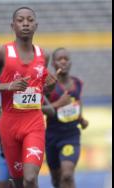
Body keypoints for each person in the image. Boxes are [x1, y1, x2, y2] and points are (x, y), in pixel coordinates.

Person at [0, 7, 59, 188]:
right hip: (9, 124)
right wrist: (8, 86)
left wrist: (49, 88)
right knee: (18, 182)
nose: (25, 23)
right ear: (12, 25)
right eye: (20, 20)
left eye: (29, 20)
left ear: (36, 25)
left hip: (34, 123)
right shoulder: (1, 52)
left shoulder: (43, 55)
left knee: (30, 178)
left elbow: (40, 90)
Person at [45, 47, 89, 188]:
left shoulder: (77, 83)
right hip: (51, 136)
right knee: (57, 180)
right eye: (60, 59)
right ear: (53, 63)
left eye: (66, 59)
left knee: (67, 175)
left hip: (70, 135)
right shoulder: (47, 85)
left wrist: (81, 118)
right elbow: (39, 110)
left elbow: (77, 101)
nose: (63, 62)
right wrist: (59, 103)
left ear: (70, 63)